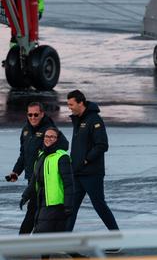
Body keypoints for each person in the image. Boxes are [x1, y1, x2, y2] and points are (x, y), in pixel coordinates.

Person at [65, 90, 120, 236]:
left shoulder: (94, 119)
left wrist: (86, 159)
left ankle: (116, 237)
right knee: (71, 207)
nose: (69, 107)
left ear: (80, 103)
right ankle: (64, 240)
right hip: (77, 172)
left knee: (99, 206)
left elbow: (102, 145)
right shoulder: (78, 119)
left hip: (92, 174)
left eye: (71, 104)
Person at [6, 102, 55, 234]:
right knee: (36, 210)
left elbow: (62, 148)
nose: (32, 117)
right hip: (31, 177)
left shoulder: (49, 130)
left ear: (42, 114)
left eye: (36, 114)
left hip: (46, 178)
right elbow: (23, 155)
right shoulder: (26, 130)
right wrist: (16, 172)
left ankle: (25, 241)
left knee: (36, 210)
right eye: (30, 114)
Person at [20, 127, 74, 234]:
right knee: (48, 235)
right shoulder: (41, 156)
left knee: (41, 234)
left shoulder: (62, 157)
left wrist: (68, 205)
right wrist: (25, 196)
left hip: (56, 204)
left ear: (57, 139)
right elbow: (34, 181)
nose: (48, 139)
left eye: (52, 136)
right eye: (46, 136)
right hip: (41, 202)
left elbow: (69, 184)